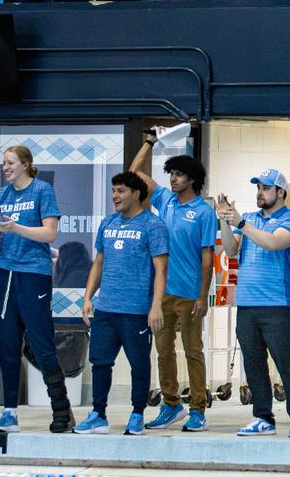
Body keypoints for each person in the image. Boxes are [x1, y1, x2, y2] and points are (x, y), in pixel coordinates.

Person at [128, 135, 216, 432]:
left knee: (193, 351)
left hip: (190, 295)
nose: (173, 178)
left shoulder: (204, 212)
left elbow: (207, 258)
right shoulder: (165, 200)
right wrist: (149, 143)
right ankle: (171, 404)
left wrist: (203, 297)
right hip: (162, 294)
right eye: (171, 174)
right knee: (163, 351)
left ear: (192, 179)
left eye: (178, 174)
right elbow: (134, 173)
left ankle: (198, 409)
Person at [212, 170, 290, 437]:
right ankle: (263, 416)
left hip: (275, 303)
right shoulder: (251, 218)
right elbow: (231, 250)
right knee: (253, 362)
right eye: (258, 188)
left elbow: (273, 243)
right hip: (246, 302)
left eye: (266, 188)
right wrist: (225, 220)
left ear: (281, 192)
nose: (260, 192)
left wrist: (241, 223)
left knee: (284, 360)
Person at [0, 146, 71, 433]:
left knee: (42, 343)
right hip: (4, 274)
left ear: (25, 164)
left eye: (11, 162)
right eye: (4, 163)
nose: (6, 167)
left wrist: (15, 228)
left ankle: (61, 410)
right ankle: (9, 412)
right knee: (7, 345)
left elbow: (50, 233)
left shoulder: (42, 191)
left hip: (33, 274)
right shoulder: (1, 195)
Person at [73, 171, 167, 436]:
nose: (115, 196)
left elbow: (161, 269)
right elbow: (99, 262)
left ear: (136, 193)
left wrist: (156, 305)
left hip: (136, 310)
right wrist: (87, 298)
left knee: (139, 364)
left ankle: (137, 414)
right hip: (106, 308)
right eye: (113, 190)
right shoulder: (108, 222)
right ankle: (98, 415)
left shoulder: (153, 225)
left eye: (121, 191)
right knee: (100, 362)